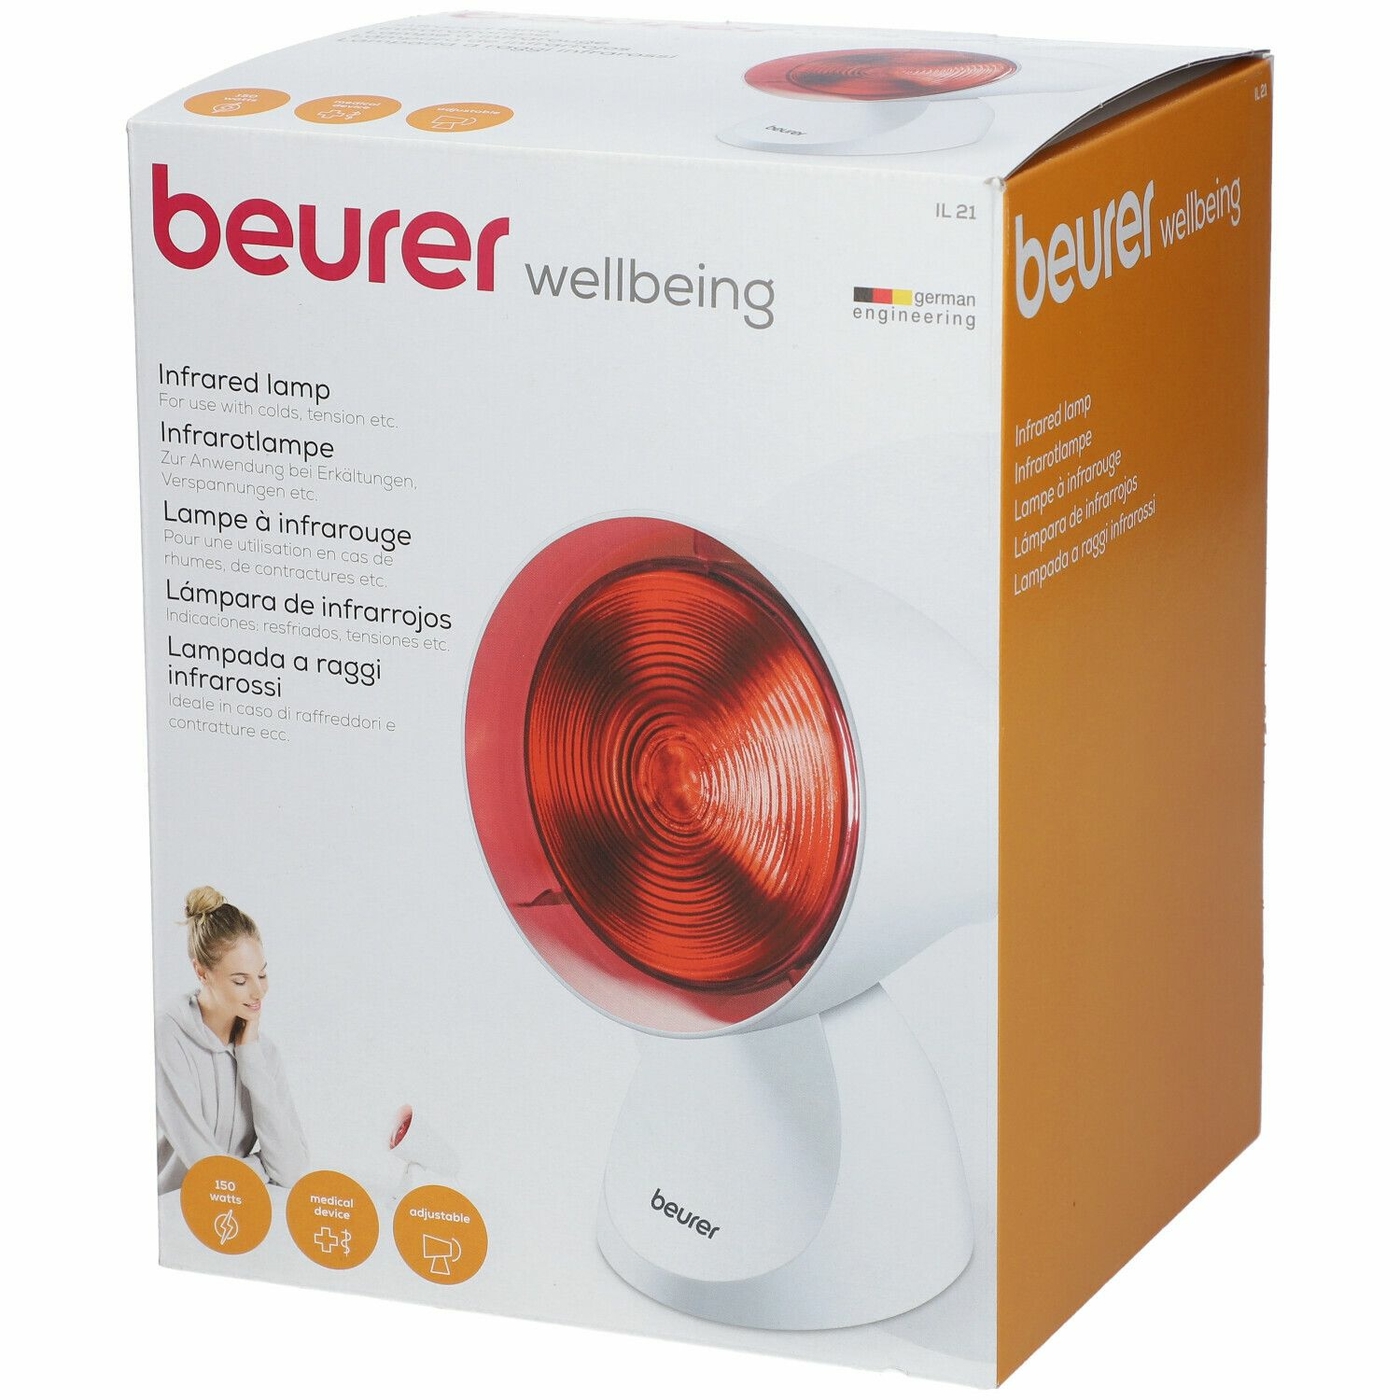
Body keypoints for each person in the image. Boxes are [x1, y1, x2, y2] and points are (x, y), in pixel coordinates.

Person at [156, 886, 308, 1193]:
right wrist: (261, 1167)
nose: (258, 992)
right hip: (170, 1211)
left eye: (262, 975)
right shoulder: (166, 1037)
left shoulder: (264, 1052)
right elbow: (209, 1173)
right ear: (201, 972)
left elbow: (293, 1171)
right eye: (240, 980)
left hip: (236, 1211)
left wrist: (249, 1054)